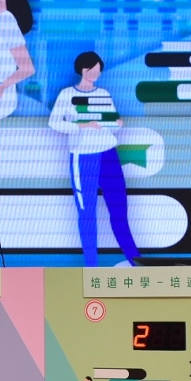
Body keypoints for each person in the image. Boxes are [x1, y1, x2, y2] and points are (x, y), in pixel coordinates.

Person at [49, 52, 142, 267]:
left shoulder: (103, 94)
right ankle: (92, 267)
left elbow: (111, 122)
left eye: (98, 71)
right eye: (91, 70)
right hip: (83, 157)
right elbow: (54, 122)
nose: (94, 74)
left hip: (108, 154)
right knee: (87, 213)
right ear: (82, 70)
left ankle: (136, 262)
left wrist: (117, 123)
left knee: (119, 211)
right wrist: (82, 125)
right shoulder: (67, 94)